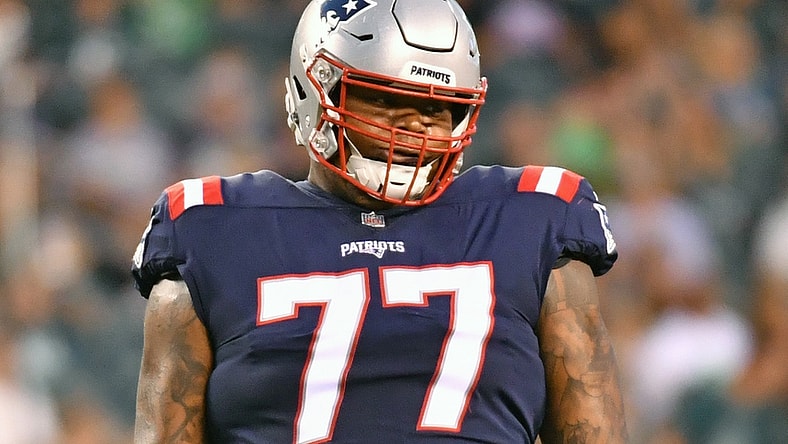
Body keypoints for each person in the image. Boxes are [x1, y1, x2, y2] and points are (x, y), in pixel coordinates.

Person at [131, 0, 628, 442]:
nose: (415, 127)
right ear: (314, 91)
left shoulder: (531, 218)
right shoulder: (211, 229)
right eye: (386, 99)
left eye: (437, 108)